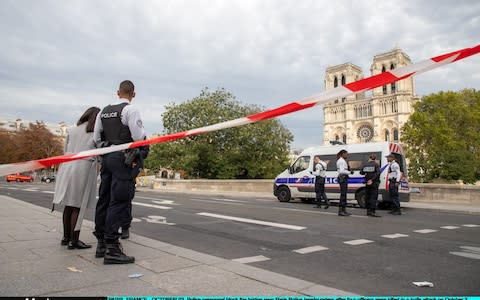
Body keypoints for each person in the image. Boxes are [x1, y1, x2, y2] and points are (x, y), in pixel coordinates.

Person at [93, 80, 148, 264]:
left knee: (104, 199)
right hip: (122, 159)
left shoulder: (103, 111)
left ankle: (101, 243)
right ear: (134, 94)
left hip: (106, 158)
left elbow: (96, 138)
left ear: (118, 93)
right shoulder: (131, 110)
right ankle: (112, 248)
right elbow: (139, 138)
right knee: (120, 200)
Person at [52, 107, 101, 249]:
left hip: (67, 166)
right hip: (83, 168)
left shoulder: (72, 129)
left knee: (69, 204)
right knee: (78, 205)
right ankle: (74, 240)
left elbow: (65, 149)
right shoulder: (94, 132)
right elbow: (99, 150)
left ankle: (65, 237)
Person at [336, 149, 353, 216]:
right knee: (343, 194)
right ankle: (341, 211)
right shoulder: (341, 161)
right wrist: (350, 172)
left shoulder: (342, 161)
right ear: (343, 154)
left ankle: (343, 210)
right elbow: (341, 171)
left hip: (343, 178)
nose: (347, 155)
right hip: (342, 178)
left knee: (344, 194)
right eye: (346, 154)